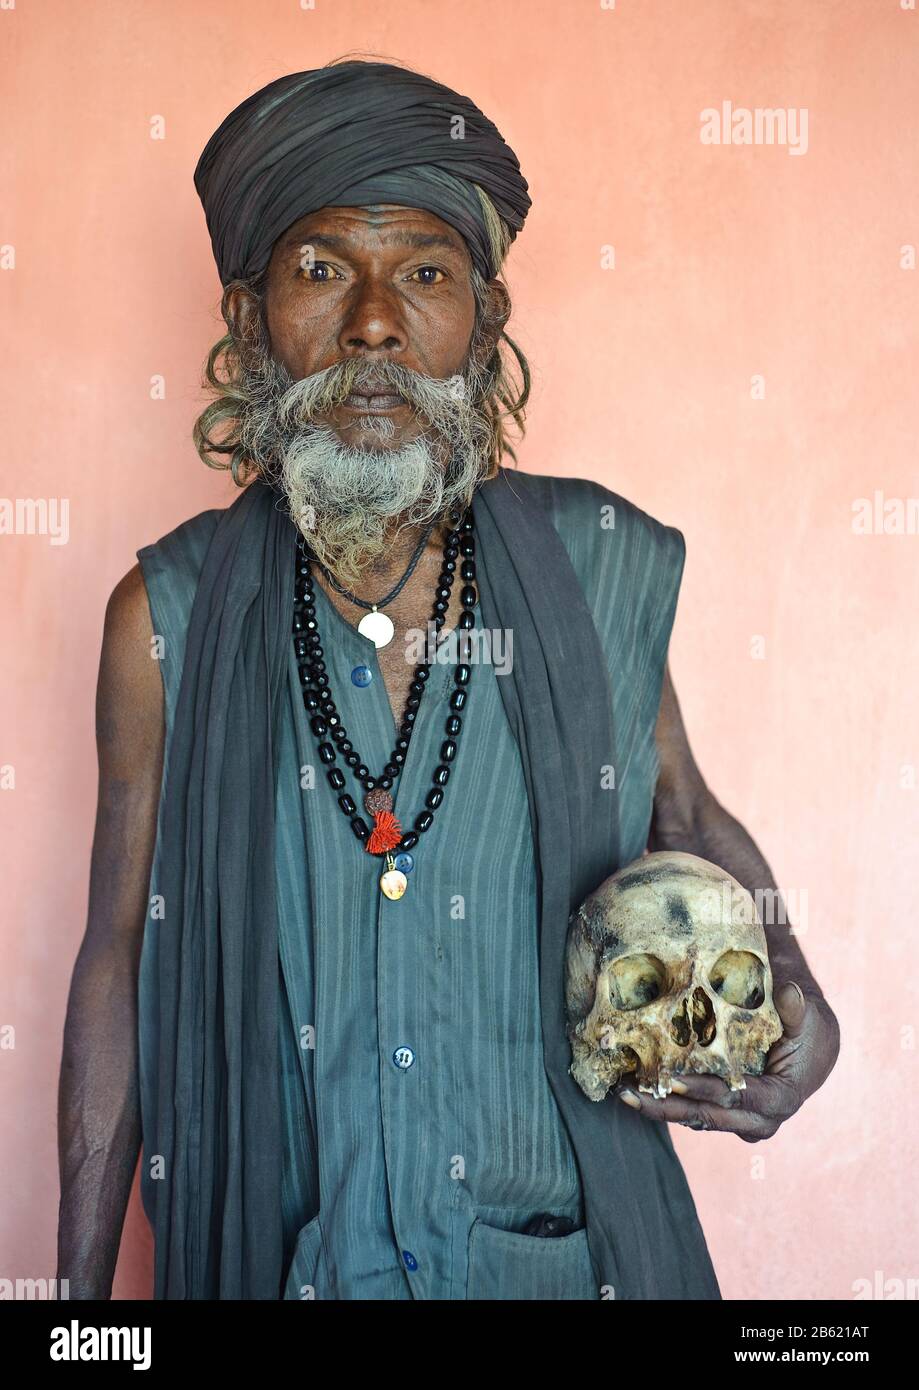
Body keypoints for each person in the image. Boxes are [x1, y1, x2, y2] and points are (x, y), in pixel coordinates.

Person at [57, 57, 840, 1301]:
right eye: (321, 269)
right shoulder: (168, 615)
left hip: (567, 1270)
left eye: (425, 273)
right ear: (249, 315)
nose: (374, 321)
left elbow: (682, 816)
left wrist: (794, 992)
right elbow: (113, 957)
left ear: (485, 319)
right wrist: (76, 1309)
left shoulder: (595, 563)